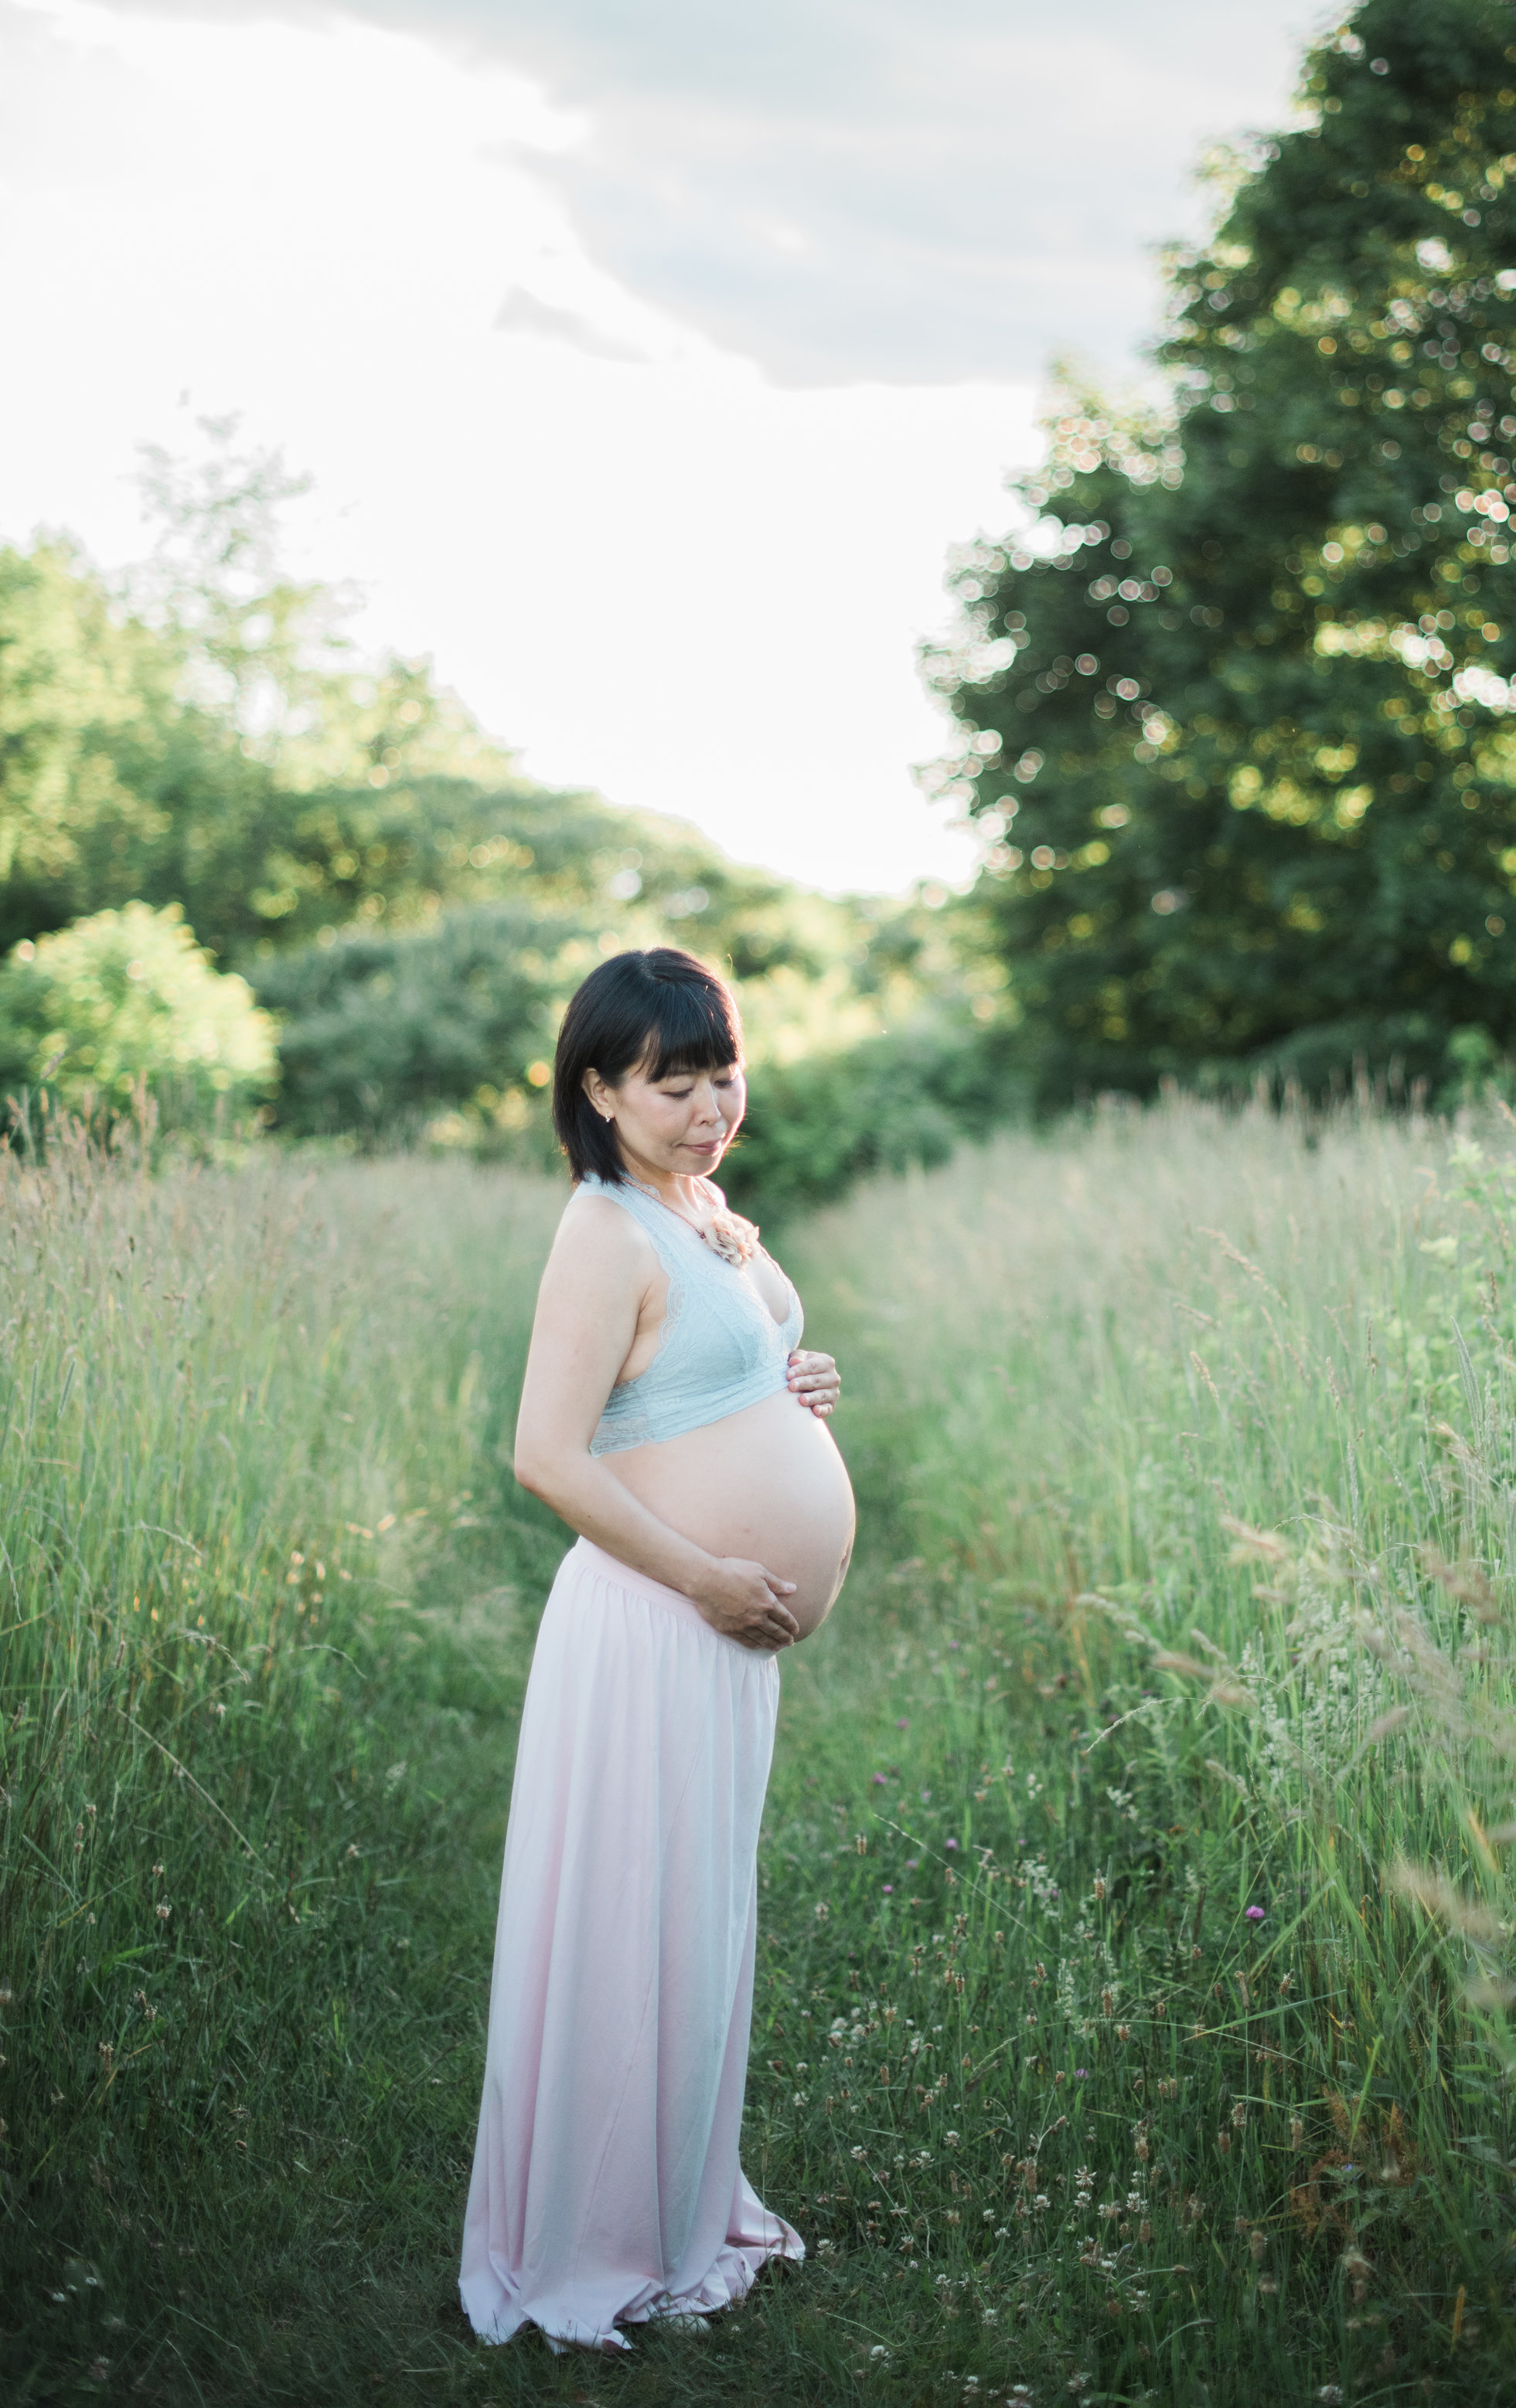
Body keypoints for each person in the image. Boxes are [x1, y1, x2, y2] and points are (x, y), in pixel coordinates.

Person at [458, 945, 855, 2351]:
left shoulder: (700, 1208)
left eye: (721, 1071)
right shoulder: (604, 1230)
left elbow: (720, 1371)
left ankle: (680, 2192)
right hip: (652, 1620)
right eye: (670, 1082)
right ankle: (596, 2232)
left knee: (695, 1917)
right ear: (600, 1090)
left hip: (720, 1633)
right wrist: (707, 1577)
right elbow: (546, 1457)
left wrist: (795, 1375)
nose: (707, 1105)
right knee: (634, 1918)